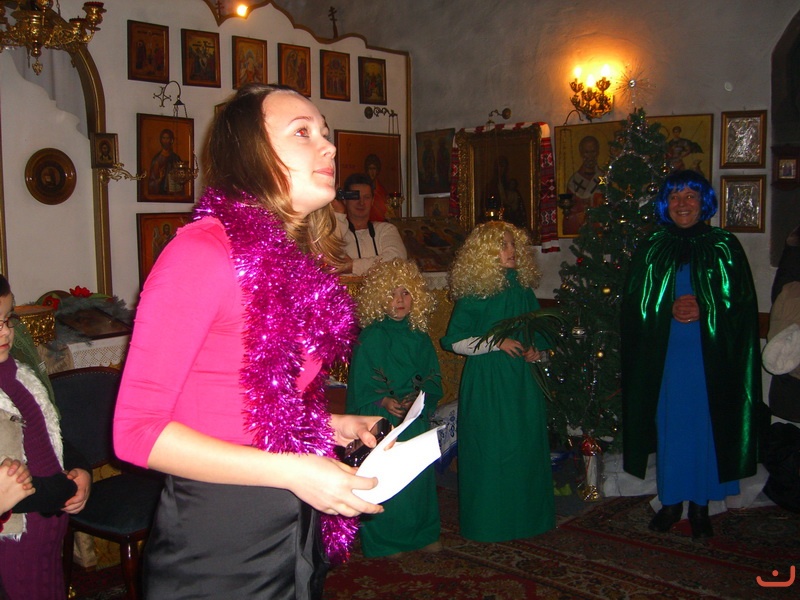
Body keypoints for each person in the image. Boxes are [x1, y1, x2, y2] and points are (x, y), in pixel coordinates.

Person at [112, 83, 385, 599]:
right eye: (303, 133)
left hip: (289, 518)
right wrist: (294, 471)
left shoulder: (296, 265)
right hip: (219, 534)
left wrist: (330, 425)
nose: (328, 146)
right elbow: (136, 433)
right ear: (250, 153)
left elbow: (239, 401)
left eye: (325, 133)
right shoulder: (203, 252)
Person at [620, 170, 762, 540]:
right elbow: (635, 304)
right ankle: (671, 503)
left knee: (704, 428)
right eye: (675, 196)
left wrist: (708, 308)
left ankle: (700, 505)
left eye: (690, 196)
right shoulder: (653, 246)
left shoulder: (724, 245)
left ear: (704, 202)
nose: (682, 203)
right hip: (667, 355)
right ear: (666, 204)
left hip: (709, 355)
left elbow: (742, 305)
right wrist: (665, 308)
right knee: (672, 427)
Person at [441, 221, 555, 542]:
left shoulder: (522, 290)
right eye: (503, 245)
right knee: (491, 448)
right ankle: (488, 521)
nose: (511, 251)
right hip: (488, 381)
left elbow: (539, 333)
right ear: (485, 254)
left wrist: (536, 351)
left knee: (524, 445)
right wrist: (496, 342)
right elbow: (455, 340)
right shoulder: (475, 294)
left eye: (513, 244)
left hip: (521, 381)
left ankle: (528, 519)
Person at [0, 274, 92, 599]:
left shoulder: (21, 374)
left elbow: (52, 434)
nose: (5, 331)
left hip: (46, 537)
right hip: (11, 542)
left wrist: (81, 471)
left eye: (7, 319)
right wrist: (61, 490)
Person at [345, 258, 443, 557]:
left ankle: (422, 533)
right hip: (382, 420)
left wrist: (419, 398)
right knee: (387, 479)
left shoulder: (419, 335)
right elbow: (361, 383)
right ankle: (386, 539)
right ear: (378, 298)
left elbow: (432, 375)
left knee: (419, 480)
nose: (399, 300)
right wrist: (384, 400)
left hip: (414, 418)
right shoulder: (371, 336)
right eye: (391, 294)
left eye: (405, 293)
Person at [336, 172, 407, 275]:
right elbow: (330, 258)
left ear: (373, 200)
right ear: (345, 200)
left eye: (366, 197)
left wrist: (352, 266)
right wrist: (338, 213)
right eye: (355, 197)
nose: (361, 202)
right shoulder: (338, 231)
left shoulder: (386, 230)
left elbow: (397, 259)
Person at [563, 135, 604, 235]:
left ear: (598, 152)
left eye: (593, 151)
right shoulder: (574, 181)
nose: (590, 156)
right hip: (580, 230)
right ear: (581, 153)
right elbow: (569, 212)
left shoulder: (603, 179)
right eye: (586, 152)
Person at [147, 128, 183, 196]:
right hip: (161, 193)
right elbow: (152, 183)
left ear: (171, 140)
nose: (165, 141)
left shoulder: (176, 158)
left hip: (174, 193)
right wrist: (160, 179)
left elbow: (182, 177)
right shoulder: (156, 159)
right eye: (164, 138)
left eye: (167, 138)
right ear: (161, 140)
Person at [365, 154, 389, 221]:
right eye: (370, 169)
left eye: (374, 169)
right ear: (367, 170)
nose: (372, 172)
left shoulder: (381, 190)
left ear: (377, 170)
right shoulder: (364, 188)